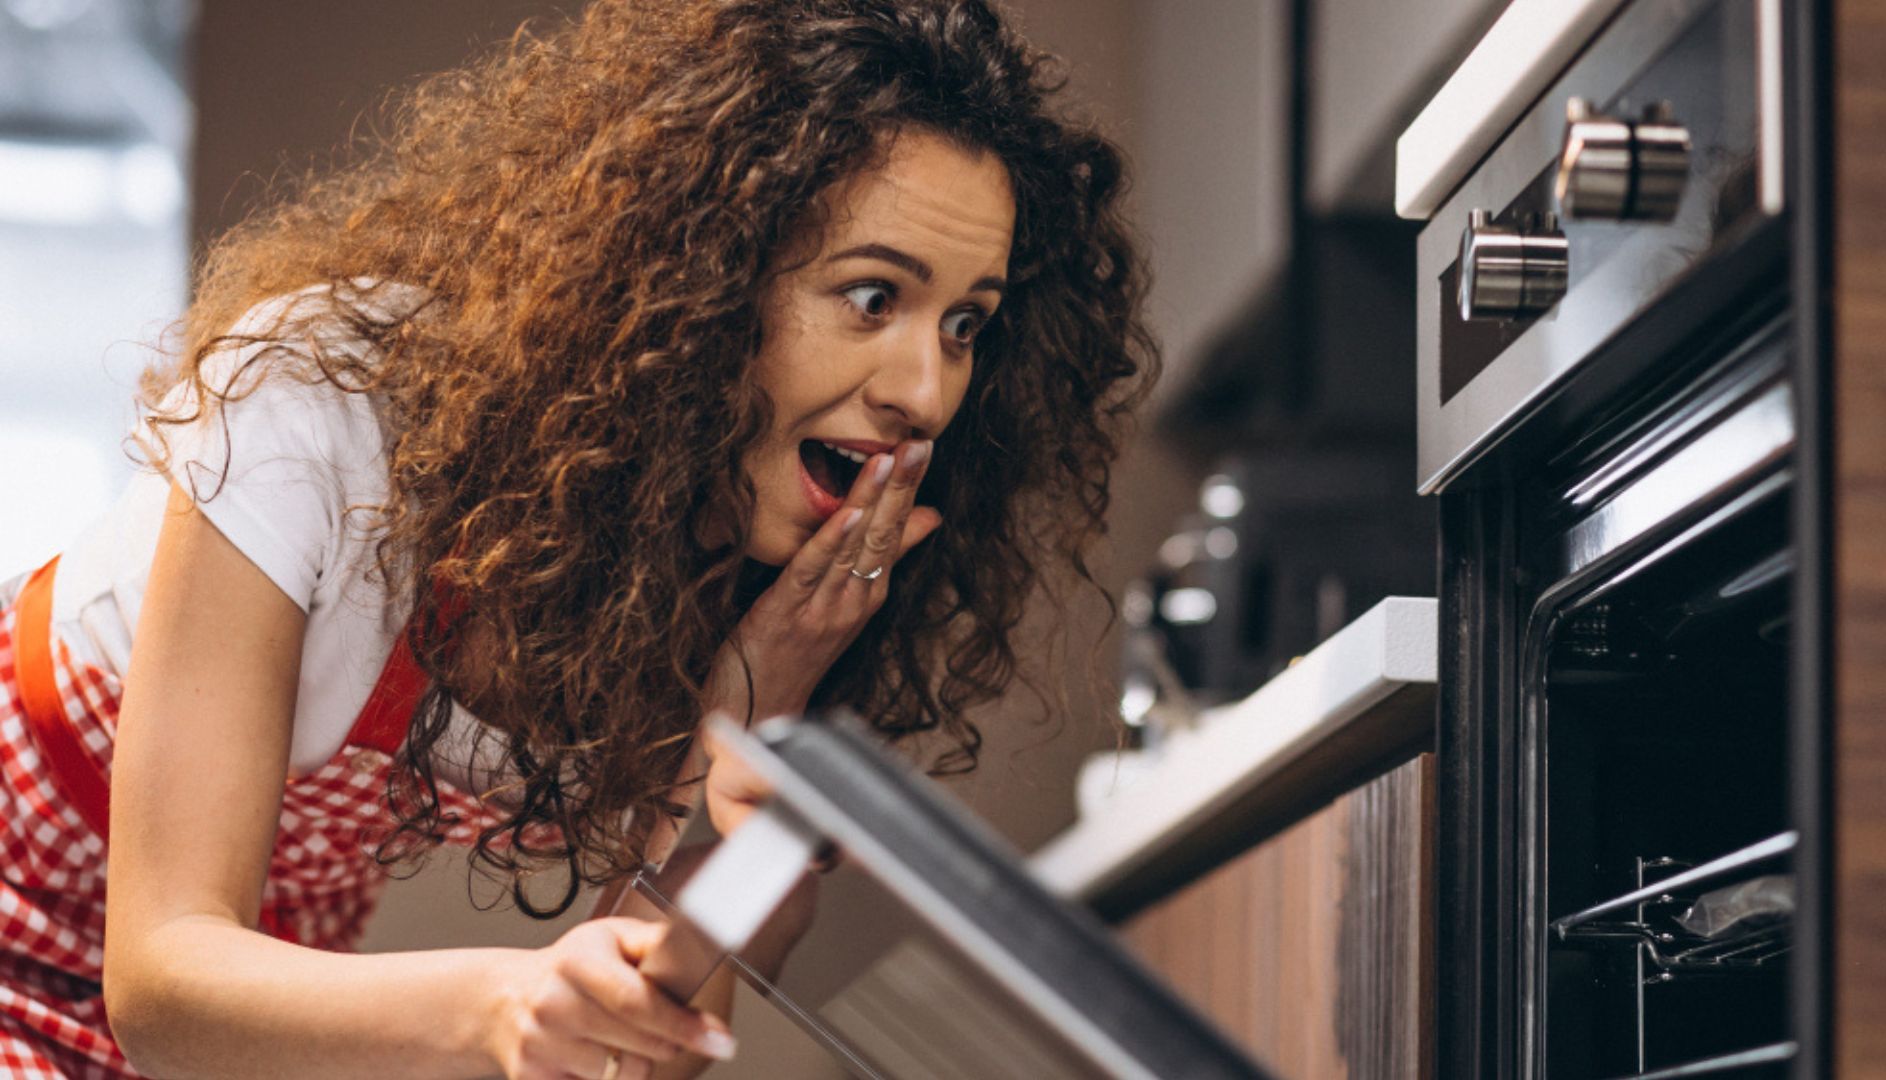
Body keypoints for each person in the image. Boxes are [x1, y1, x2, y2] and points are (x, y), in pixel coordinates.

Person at [0, 0, 1155, 1075]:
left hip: (256, 977)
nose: (925, 391)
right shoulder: (325, 406)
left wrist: (762, 696)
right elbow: (159, 980)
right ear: (705, 270)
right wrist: (500, 1007)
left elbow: (625, 1042)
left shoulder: (744, 579)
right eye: (871, 298)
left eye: (965, 325)